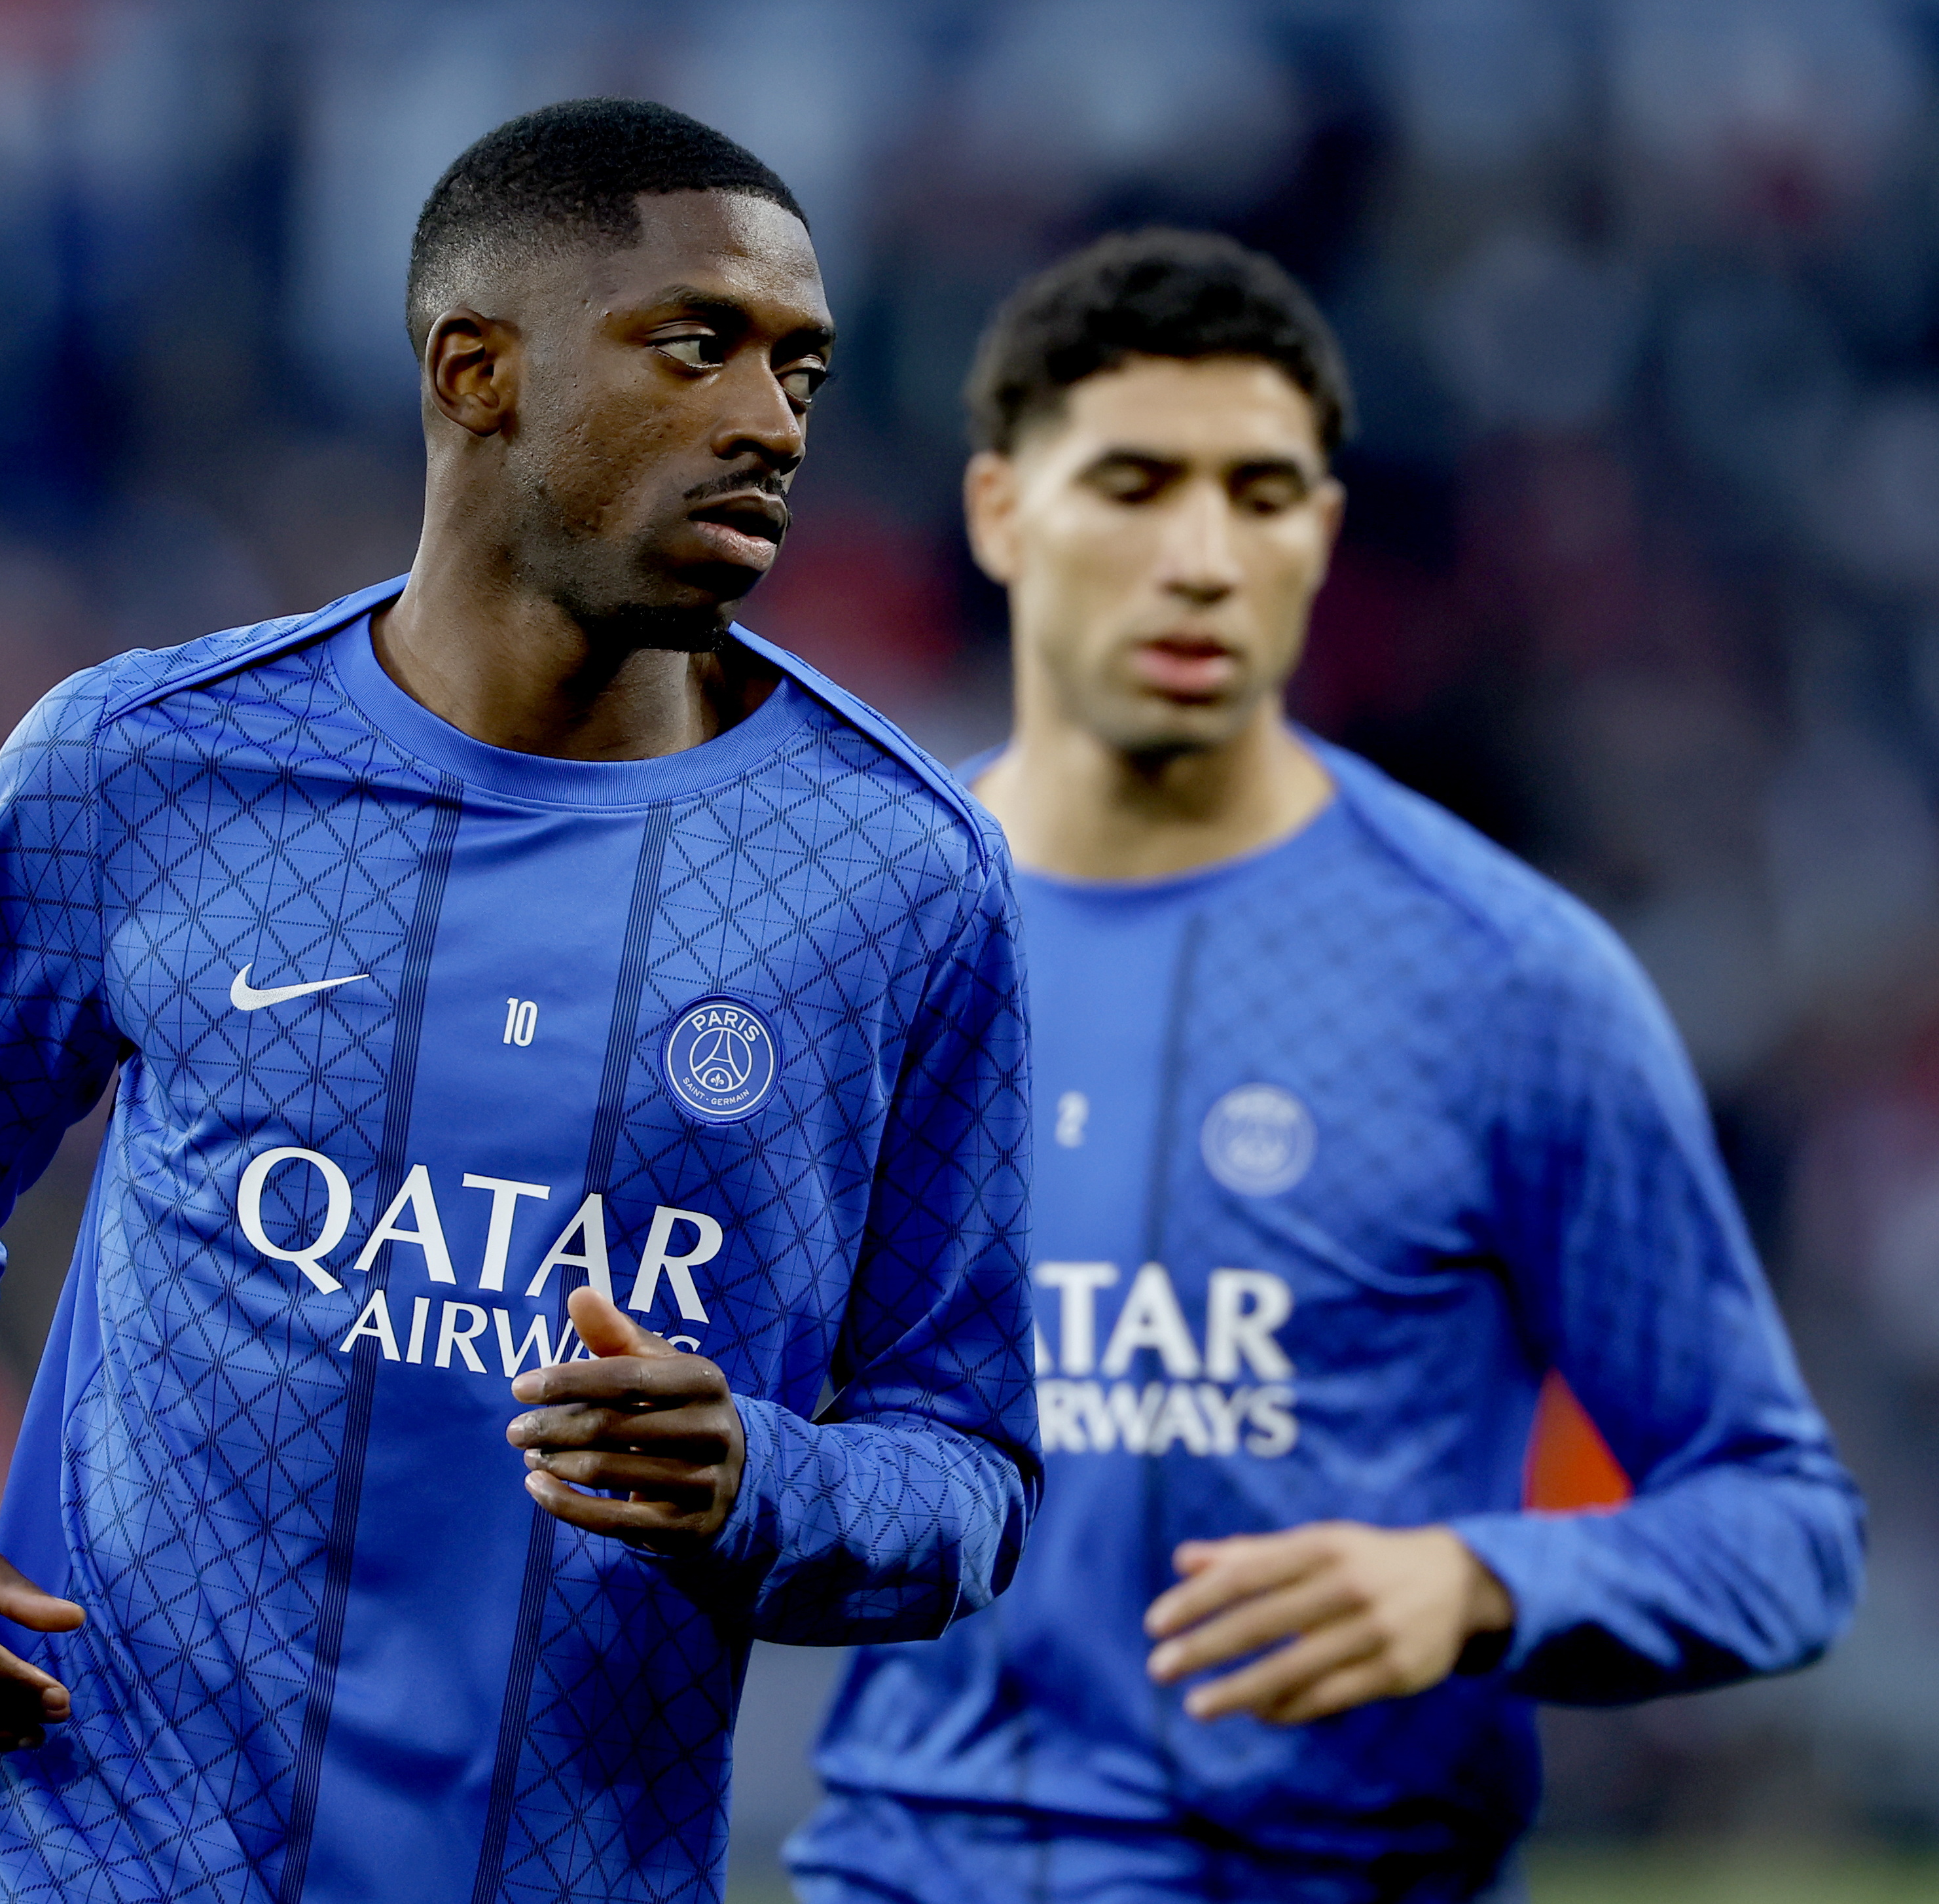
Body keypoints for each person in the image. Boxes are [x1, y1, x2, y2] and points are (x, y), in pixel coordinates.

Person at [0, 99, 1040, 1904]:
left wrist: (758, 1485)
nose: (770, 420)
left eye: (799, 369)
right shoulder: (141, 768)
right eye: (698, 347)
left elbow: (966, 1463)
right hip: (88, 1858)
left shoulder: (900, 877)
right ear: (474, 371)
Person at [786, 230, 1865, 1903]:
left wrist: (1478, 1586)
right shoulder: (849, 957)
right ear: (1000, 511)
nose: (1201, 557)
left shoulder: (1510, 983)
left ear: (1324, 534)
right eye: (1134, 485)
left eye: (1262, 495)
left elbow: (1784, 1528)